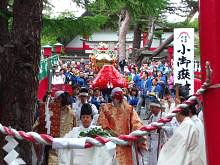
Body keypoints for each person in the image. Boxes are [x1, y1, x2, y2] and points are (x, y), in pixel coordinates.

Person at [97, 87, 146, 165]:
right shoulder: (105, 108)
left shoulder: (129, 109)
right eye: (115, 97)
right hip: (110, 143)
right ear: (112, 97)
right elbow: (102, 125)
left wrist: (140, 132)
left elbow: (136, 123)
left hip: (125, 143)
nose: (117, 100)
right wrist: (111, 134)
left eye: (119, 98)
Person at [146, 98, 178, 165]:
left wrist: (162, 128)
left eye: (152, 107)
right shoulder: (151, 117)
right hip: (151, 143)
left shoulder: (165, 116)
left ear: (158, 107)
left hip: (161, 142)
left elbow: (172, 130)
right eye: (150, 107)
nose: (151, 110)